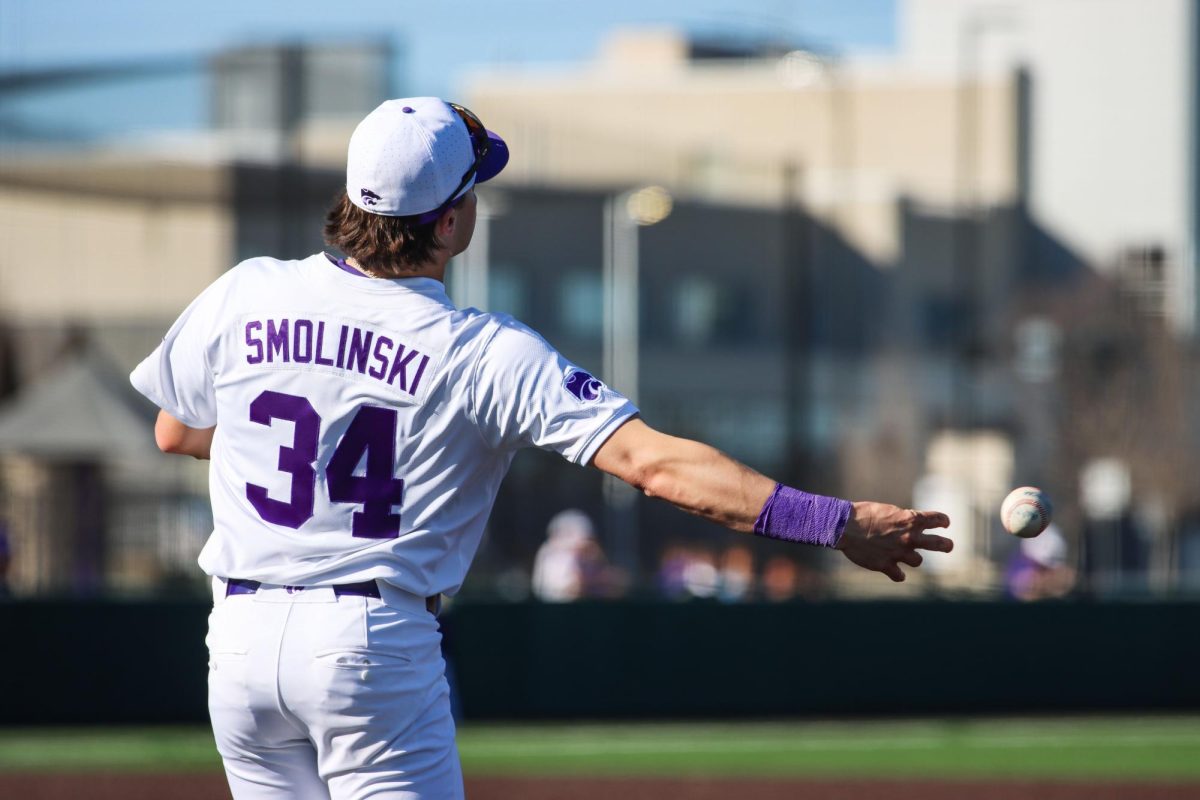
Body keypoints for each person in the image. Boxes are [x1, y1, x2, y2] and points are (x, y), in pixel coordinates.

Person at [131, 96, 952, 799]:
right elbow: (654, 465)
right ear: (448, 220)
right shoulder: (478, 349)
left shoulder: (249, 290)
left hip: (236, 643)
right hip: (367, 647)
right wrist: (830, 522)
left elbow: (176, 429)